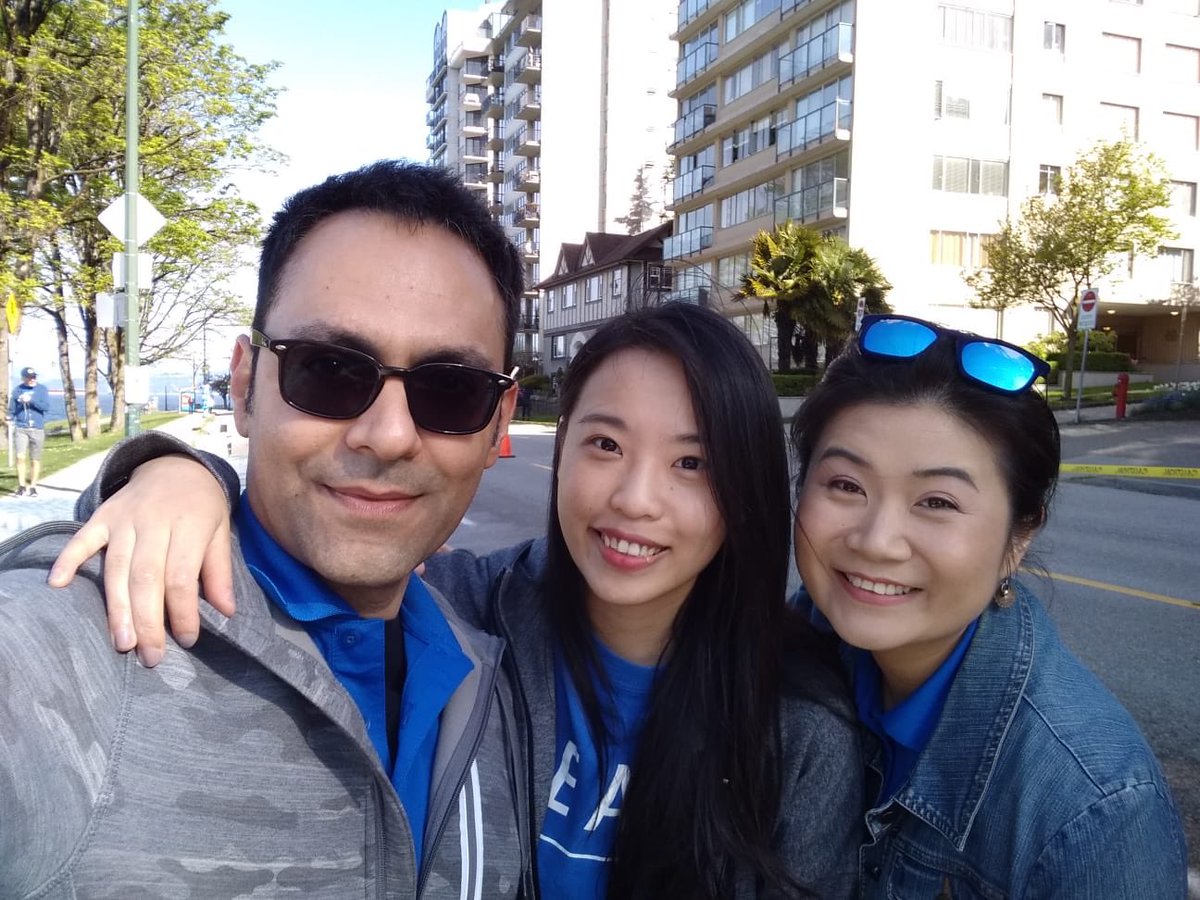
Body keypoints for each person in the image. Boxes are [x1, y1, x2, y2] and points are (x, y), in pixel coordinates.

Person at [52, 303, 864, 898]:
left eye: (693, 464)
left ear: (747, 487)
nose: (636, 500)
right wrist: (177, 474)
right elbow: (305, 553)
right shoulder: (473, 616)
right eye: (605, 445)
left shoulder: (798, 727)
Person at [0, 161, 531, 897]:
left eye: (451, 389)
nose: (389, 436)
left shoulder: (499, 664)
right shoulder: (80, 643)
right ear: (247, 387)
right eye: (330, 370)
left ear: (498, 423)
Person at [790, 314, 1187, 896]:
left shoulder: (1094, 811)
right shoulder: (791, 646)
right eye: (847, 485)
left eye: (937, 501)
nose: (875, 541)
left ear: (1018, 539)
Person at [9, 365, 50, 497]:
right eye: (29, 377)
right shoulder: (18, 390)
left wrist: (31, 401)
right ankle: (21, 486)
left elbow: (45, 407)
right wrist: (9, 417)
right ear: (23, 378)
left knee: (35, 459)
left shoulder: (42, 390)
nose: (32, 379)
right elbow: (12, 409)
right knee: (20, 457)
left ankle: (33, 487)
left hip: (37, 429)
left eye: (33, 377)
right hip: (21, 428)